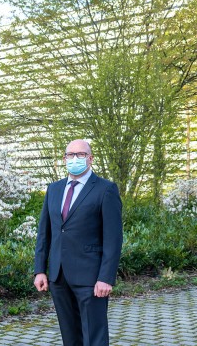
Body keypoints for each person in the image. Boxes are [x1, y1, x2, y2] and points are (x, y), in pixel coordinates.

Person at [34, 139, 123, 346]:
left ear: (90, 159)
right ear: (64, 159)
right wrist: (39, 270)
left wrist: (106, 277)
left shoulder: (105, 189)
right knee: (70, 337)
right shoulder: (53, 189)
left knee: (94, 337)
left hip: (91, 278)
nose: (75, 159)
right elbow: (44, 233)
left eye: (80, 155)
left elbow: (113, 238)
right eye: (70, 155)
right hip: (58, 276)